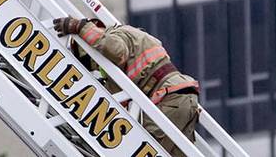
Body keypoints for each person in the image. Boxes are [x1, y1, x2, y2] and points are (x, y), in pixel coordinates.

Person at [53, 17, 200, 156]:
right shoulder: (130, 36)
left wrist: (79, 27)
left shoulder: (116, 37)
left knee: (141, 150)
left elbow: (117, 51)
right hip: (181, 97)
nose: (99, 68)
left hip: (169, 100)